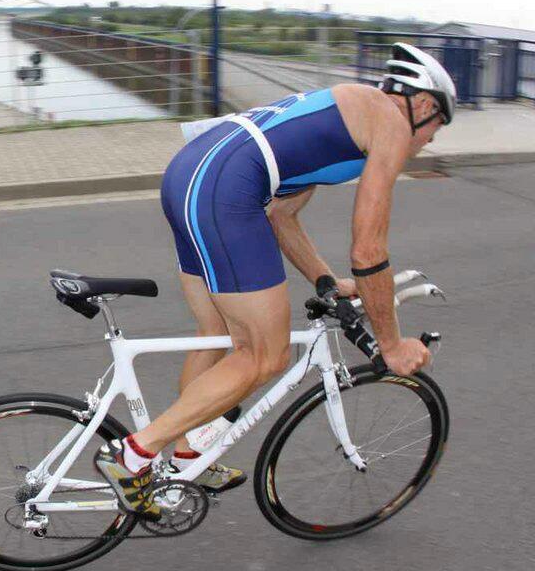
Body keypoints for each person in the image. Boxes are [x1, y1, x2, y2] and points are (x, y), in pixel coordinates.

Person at [95, 43, 458, 519]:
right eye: (435, 128)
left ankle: (186, 456)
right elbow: (369, 250)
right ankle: (134, 456)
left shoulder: (348, 113)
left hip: (189, 175)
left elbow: (282, 216)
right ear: (423, 105)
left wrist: (325, 280)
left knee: (217, 335)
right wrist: (390, 345)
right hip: (224, 190)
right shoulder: (389, 121)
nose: (429, 141)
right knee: (266, 355)